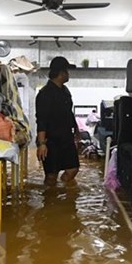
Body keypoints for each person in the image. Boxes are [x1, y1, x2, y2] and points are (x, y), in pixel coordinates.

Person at [35, 56, 80, 186]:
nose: (68, 74)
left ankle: (61, 191)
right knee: (51, 175)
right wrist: (42, 143)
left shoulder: (65, 91)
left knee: (73, 170)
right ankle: (50, 200)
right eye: (67, 71)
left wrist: (76, 130)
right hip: (51, 140)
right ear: (61, 73)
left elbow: (68, 112)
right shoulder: (45, 94)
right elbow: (41, 119)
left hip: (66, 137)